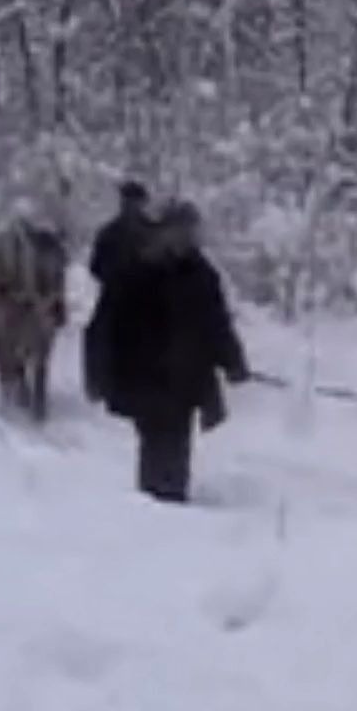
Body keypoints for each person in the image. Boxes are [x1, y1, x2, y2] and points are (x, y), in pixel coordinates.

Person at [101, 202, 248, 503]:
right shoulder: (137, 271)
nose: (188, 238)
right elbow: (110, 325)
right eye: (181, 230)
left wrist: (233, 361)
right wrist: (108, 373)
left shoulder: (203, 274)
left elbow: (216, 322)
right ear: (164, 232)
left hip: (187, 378)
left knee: (179, 444)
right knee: (155, 441)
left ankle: (175, 502)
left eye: (192, 231)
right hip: (146, 376)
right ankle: (153, 505)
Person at [83, 180, 154, 400]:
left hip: (119, 295)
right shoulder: (152, 230)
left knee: (95, 334)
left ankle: (97, 383)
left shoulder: (109, 231)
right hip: (144, 294)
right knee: (94, 332)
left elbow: (95, 267)